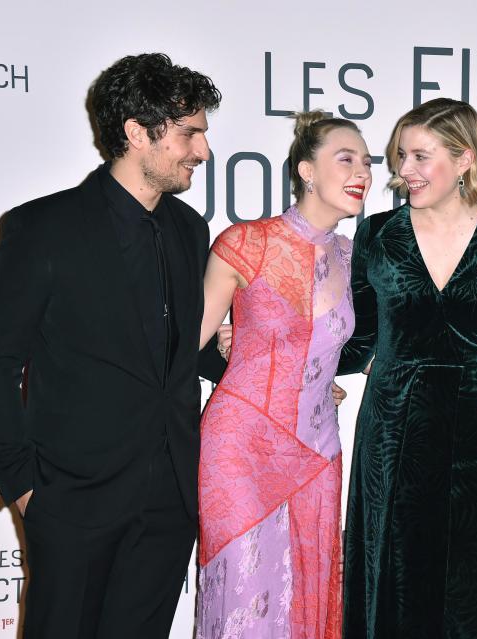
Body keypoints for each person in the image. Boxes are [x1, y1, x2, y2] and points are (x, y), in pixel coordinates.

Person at [0, 52, 224, 638]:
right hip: (73, 499)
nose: (203, 151)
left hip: (169, 495)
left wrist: (237, 353)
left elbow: (181, 350)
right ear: (138, 132)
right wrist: (25, 487)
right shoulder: (43, 227)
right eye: (190, 134)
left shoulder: (190, 230)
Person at [337, 97, 477, 639]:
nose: (402, 171)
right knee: (396, 586)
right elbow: (359, 340)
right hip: (395, 429)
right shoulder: (378, 235)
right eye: (400, 157)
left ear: (465, 160)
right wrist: (268, 347)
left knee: (475, 595)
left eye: (418, 156)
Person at [195, 111, 371, 638]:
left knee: (307, 597)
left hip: (318, 447)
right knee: (244, 599)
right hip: (241, 444)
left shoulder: (357, 256)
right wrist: (235, 353)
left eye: (366, 161)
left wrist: (319, 377)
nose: (361, 170)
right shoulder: (245, 241)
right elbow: (182, 346)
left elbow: (355, 345)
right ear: (306, 171)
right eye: (346, 158)